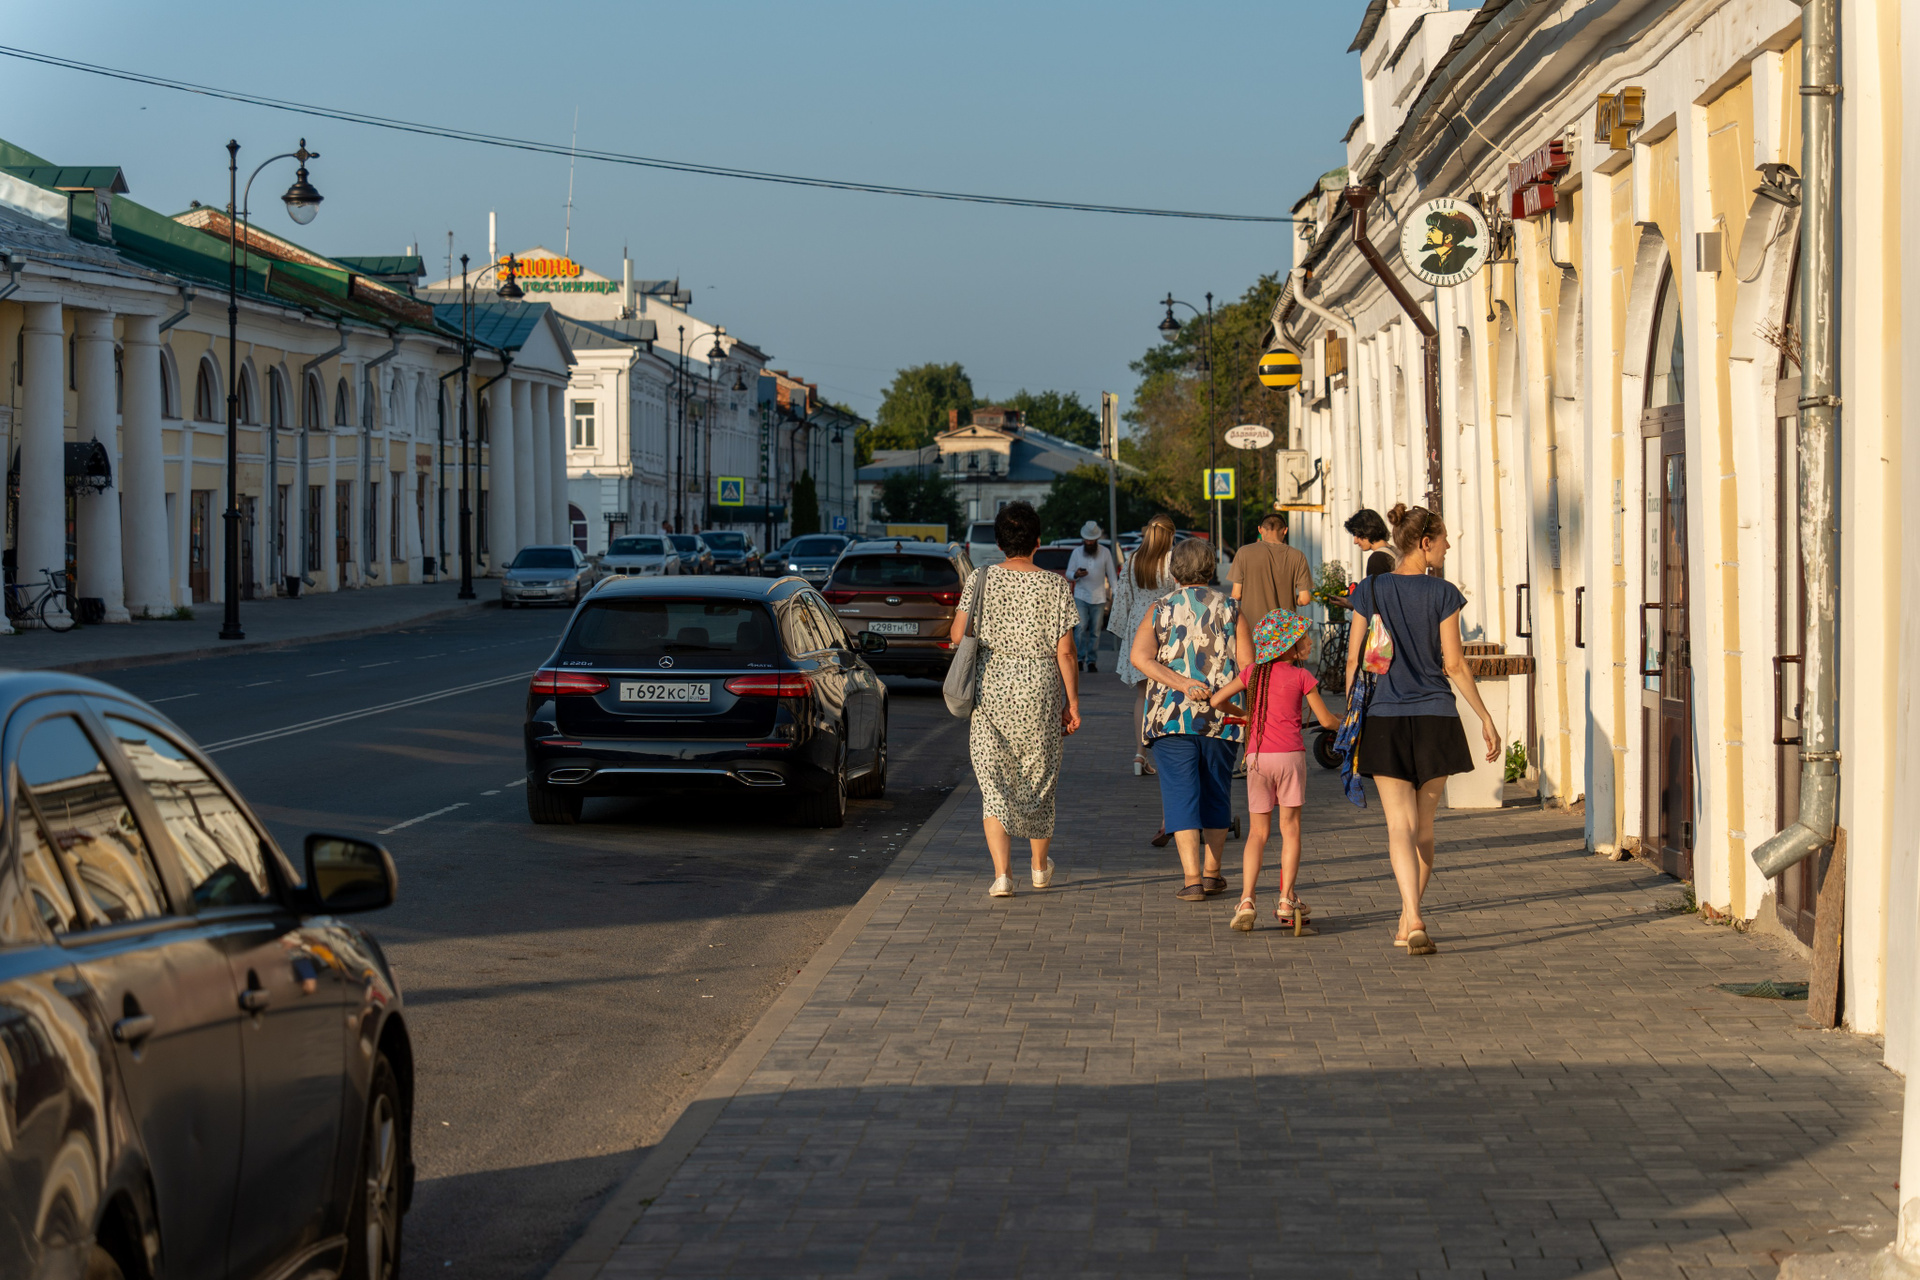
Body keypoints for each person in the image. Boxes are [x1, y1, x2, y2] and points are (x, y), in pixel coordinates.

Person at [1342, 503, 1500, 956]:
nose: (1449, 546)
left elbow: (1353, 660)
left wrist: (1352, 718)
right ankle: (1409, 916)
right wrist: (1485, 717)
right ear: (1426, 543)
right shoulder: (1443, 594)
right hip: (1435, 716)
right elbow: (1454, 663)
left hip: (1385, 717)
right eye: (1444, 539)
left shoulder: (1371, 589)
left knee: (1399, 826)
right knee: (1424, 828)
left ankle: (1411, 917)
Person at [950, 501, 1082, 898]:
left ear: (999, 543)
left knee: (994, 786)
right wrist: (1073, 703)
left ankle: (1002, 875)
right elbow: (1066, 652)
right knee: (1039, 780)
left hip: (991, 689)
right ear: (1038, 541)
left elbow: (957, 635)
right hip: (1040, 691)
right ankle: (1039, 868)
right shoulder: (1055, 585)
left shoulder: (980, 579)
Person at [1209, 610, 1339, 931]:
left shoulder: (1252, 673)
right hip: (1290, 758)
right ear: (1288, 648)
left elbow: (1216, 701)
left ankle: (1247, 900)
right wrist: (1348, 723)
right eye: (1301, 639)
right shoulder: (1302, 676)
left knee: (1258, 834)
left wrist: (1245, 714)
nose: (1307, 643)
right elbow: (1325, 721)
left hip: (1257, 759)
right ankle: (1285, 899)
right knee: (1290, 829)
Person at [1131, 537, 1243, 901]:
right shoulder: (1232, 608)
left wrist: (1182, 684)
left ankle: (1192, 879)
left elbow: (1140, 658)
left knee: (1180, 795)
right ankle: (1213, 873)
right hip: (1222, 719)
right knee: (1217, 792)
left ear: (1174, 571)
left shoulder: (1160, 608)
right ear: (1211, 569)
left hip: (1171, 718)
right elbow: (1250, 666)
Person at [1108, 515, 1179, 776]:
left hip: (1139, 626)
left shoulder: (1133, 560)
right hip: (1167, 626)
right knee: (1169, 692)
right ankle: (1169, 754)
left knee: (1142, 695)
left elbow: (1122, 598)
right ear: (1170, 535)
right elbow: (1180, 595)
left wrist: (1122, 631)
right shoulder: (1172, 560)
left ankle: (1140, 753)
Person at [1229, 511, 1313, 633]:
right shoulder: (1298, 556)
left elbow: (1236, 595)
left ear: (1260, 530)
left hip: (1252, 630)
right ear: (1285, 530)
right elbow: (1304, 599)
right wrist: (1290, 597)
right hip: (1284, 633)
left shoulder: (1243, 552)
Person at [1065, 520, 1119, 673]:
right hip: (1081, 595)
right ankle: (1079, 659)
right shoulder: (1077, 552)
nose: (1089, 542)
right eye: (1087, 539)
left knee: (1095, 632)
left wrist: (1116, 594)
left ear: (1096, 539)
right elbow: (1069, 573)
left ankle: (1092, 661)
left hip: (1099, 597)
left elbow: (1112, 575)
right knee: (1080, 628)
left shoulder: (1105, 553)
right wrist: (1076, 574)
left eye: (1091, 540)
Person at [1344, 508, 1396, 577]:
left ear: (1367, 531)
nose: (1355, 541)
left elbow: (1376, 584)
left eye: (1357, 535)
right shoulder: (1396, 552)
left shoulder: (1377, 559)